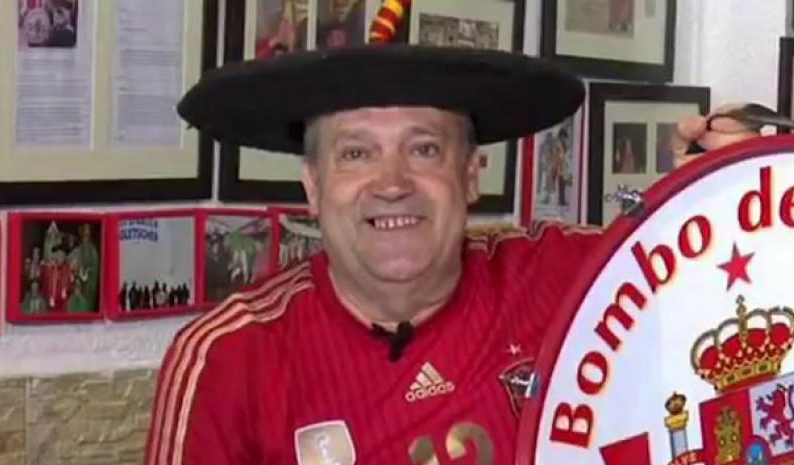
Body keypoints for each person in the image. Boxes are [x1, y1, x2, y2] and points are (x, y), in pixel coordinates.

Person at [143, 42, 759, 465]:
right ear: (313, 186)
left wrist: (730, 183)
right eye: (356, 154)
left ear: (469, 176)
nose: (392, 182)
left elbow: (722, 273)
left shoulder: (571, 279)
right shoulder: (230, 358)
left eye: (424, 150)